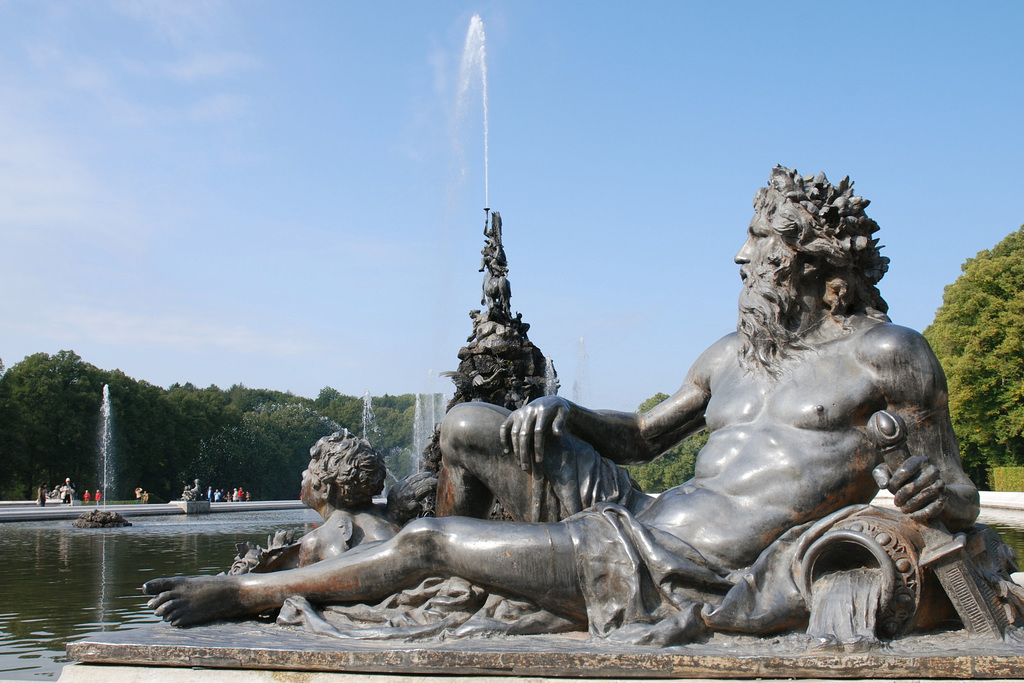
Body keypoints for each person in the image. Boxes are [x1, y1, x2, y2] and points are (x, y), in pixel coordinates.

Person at [145, 167, 979, 637]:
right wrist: (571, 413)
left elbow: (962, 493)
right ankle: (470, 573)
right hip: (642, 509)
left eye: (759, 246)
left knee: (434, 537)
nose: (740, 257)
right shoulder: (731, 355)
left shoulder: (887, 354)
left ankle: (252, 595)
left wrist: (933, 493)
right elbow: (645, 436)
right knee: (468, 425)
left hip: (670, 568)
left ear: (811, 263)